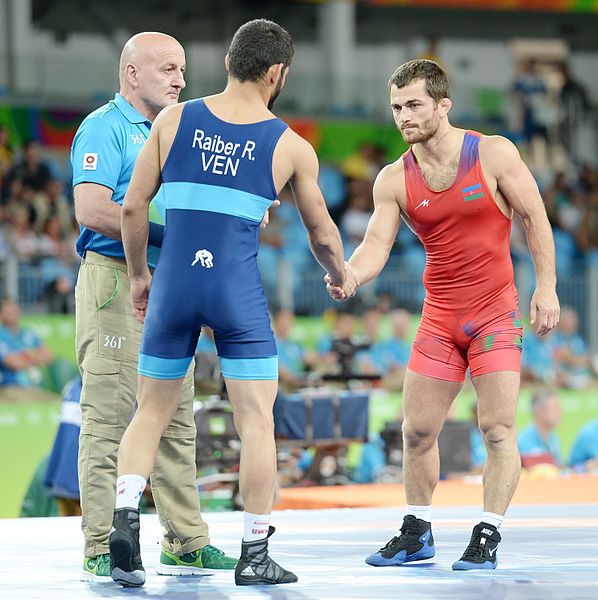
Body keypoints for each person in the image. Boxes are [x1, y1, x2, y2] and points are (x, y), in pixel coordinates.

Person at [111, 19, 346, 587]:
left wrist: (142, 276)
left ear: (226, 64)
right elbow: (321, 234)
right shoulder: (290, 146)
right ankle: (254, 552)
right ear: (278, 73)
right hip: (234, 294)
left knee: (151, 412)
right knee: (256, 421)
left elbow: (131, 207)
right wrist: (340, 275)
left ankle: (123, 529)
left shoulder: (173, 119)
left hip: (173, 287)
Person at [326, 59, 560, 570]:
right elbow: (375, 246)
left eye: (414, 105)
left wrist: (546, 286)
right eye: (396, 107)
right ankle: (416, 532)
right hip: (440, 319)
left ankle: (487, 533)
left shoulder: (493, 153)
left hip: (495, 315)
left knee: (497, 429)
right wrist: (350, 274)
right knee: (416, 431)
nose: (403, 116)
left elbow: (534, 215)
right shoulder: (393, 179)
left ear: (442, 105)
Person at [71, 32, 237, 582]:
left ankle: (185, 542)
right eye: (168, 68)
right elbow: (92, 208)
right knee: (111, 416)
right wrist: (177, 233)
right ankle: (101, 543)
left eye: (182, 68)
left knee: (176, 416)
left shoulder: (178, 133)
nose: (181, 79)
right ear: (131, 73)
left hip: (166, 283)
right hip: (117, 280)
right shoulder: (104, 127)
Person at [0, 297, 54, 402]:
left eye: (15, 310)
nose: (13, 314)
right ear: (1, 315)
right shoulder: (1, 336)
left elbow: (48, 357)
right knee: (31, 403)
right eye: (8, 312)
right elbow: (14, 363)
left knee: (57, 402)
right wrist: (34, 356)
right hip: (11, 387)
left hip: (36, 387)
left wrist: (24, 357)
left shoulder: (28, 333)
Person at [517, 389, 562, 467]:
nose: (560, 412)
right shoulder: (524, 442)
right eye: (555, 409)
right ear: (541, 412)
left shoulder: (553, 438)